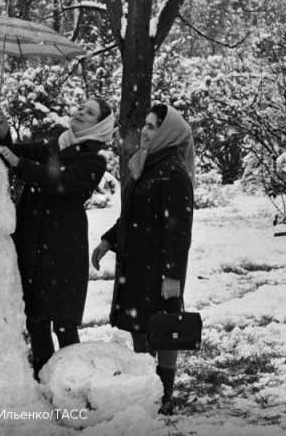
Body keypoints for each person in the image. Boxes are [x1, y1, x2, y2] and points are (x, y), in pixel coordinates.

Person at [0, 98, 114, 381]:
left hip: (62, 247)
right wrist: (3, 131)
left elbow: (61, 181)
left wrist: (20, 164)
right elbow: (9, 150)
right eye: (81, 108)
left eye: (90, 112)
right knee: (35, 319)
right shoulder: (54, 143)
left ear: (100, 125)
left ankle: (73, 383)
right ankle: (43, 380)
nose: (81, 113)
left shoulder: (93, 160)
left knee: (63, 322)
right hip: (32, 240)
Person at [91, 103, 195, 416]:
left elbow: (179, 231)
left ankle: (162, 396)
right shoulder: (146, 165)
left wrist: (173, 276)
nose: (145, 132)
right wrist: (109, 240)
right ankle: (147, 388)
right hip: (139, 265)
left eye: (153, 127)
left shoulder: (173, 174)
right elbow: (132, 215)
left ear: (167, 132)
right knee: (141, 327)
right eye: (146, 125)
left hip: (158, 269)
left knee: (163, 331)